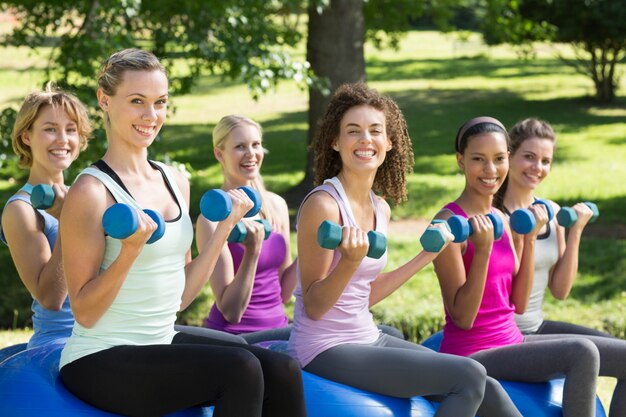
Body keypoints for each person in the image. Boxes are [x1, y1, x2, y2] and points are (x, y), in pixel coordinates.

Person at [58, 48, 306, 417]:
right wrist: (129, 253)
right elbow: (85, 312)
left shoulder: (175, 181)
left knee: (284, 369)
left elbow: (181, 297)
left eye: (160, 102)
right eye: (137, 101)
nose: (151, 115)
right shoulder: (90, 192)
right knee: (241, 369)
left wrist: (222, 229)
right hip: (100, 355)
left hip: (162, 339)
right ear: (105, 101)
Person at [288, 83, 522, 417]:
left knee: (488, 386)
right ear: (336, 142)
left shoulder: (379, 207)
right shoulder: (323, 205)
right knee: (468, 376)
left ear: (389, 142)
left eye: (375, 131)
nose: (366, 139)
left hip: (366, 334)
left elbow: (363, 294)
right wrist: (349, 263)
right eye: (353, 131)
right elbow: (314, 306)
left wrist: (426, 256)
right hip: (324, 346)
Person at [432, 116, 626, 417]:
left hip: (513, 339)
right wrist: (482, 251)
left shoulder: (507, 220)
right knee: (582, 352)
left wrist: (529, 240)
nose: (490, 170)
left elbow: (518, 305)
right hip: (473, 352)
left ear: (507, 159)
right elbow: (463, 318)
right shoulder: (448, 223)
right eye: (478, 159)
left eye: (499, 159)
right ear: (460, 161)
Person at [493, 117, 611, 337]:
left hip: (537, 328)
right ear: (509, 157)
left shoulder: (552, 212)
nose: (537, 168)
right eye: (529, 157)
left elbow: (560, 291)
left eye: (545, 161)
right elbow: (508, 297)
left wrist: (575, 230)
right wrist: (523, 238)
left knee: (618, 351)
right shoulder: (494, 217)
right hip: (505, 334)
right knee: (585, 352)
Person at [0, 83, 92, 348]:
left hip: (105, 336)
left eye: (71, 130)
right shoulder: (21, 209)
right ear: (26, 136)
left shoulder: (85, 194)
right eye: (50, 129)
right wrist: (67, 223)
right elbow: (50, 298)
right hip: (62, 344)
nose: (63, 139)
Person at [196, 115, 296, 344]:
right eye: (240, 147)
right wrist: (252, 252)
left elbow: (285, 292)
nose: (251, 154)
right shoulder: (212, 219)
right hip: (236, 339)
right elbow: (231, 311)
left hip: (279, 332)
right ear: (219, 154)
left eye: (256, 145)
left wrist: (315, 246)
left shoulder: (276, 206)